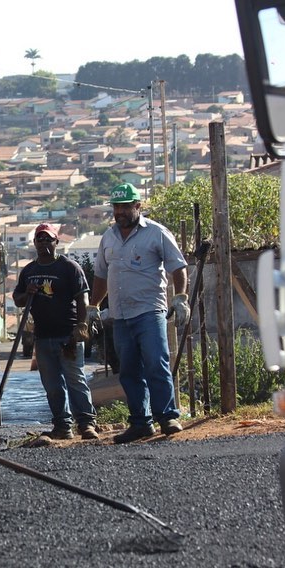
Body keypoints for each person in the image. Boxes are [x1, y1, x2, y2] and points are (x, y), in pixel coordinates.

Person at [88, 183, 191, 444]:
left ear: (137, 206)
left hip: (149, 310)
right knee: (129, 370)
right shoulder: (108, 238)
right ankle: (140, 423)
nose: (120, 211)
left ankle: (167, 417)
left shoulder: (156, 233)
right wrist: (93, 306)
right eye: (116, 207)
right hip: (121, 316)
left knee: (157, 362)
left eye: (125, 206)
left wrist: (180, 298)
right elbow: (101, 274)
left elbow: (177, 266)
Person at [12, 223, 98, 440]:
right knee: (52, 385)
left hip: (67, 335)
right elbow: (18, 299)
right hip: (42, 337)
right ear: (34, 243)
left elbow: (82, 298)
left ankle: (86, 424)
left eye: (48, 239)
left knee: (75, 380)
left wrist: (81, 325)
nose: (43, 243)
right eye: (39, 239)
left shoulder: (69, 268)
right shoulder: (30, 271)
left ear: (56, 242)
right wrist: (27, 293)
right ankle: (62, 426)